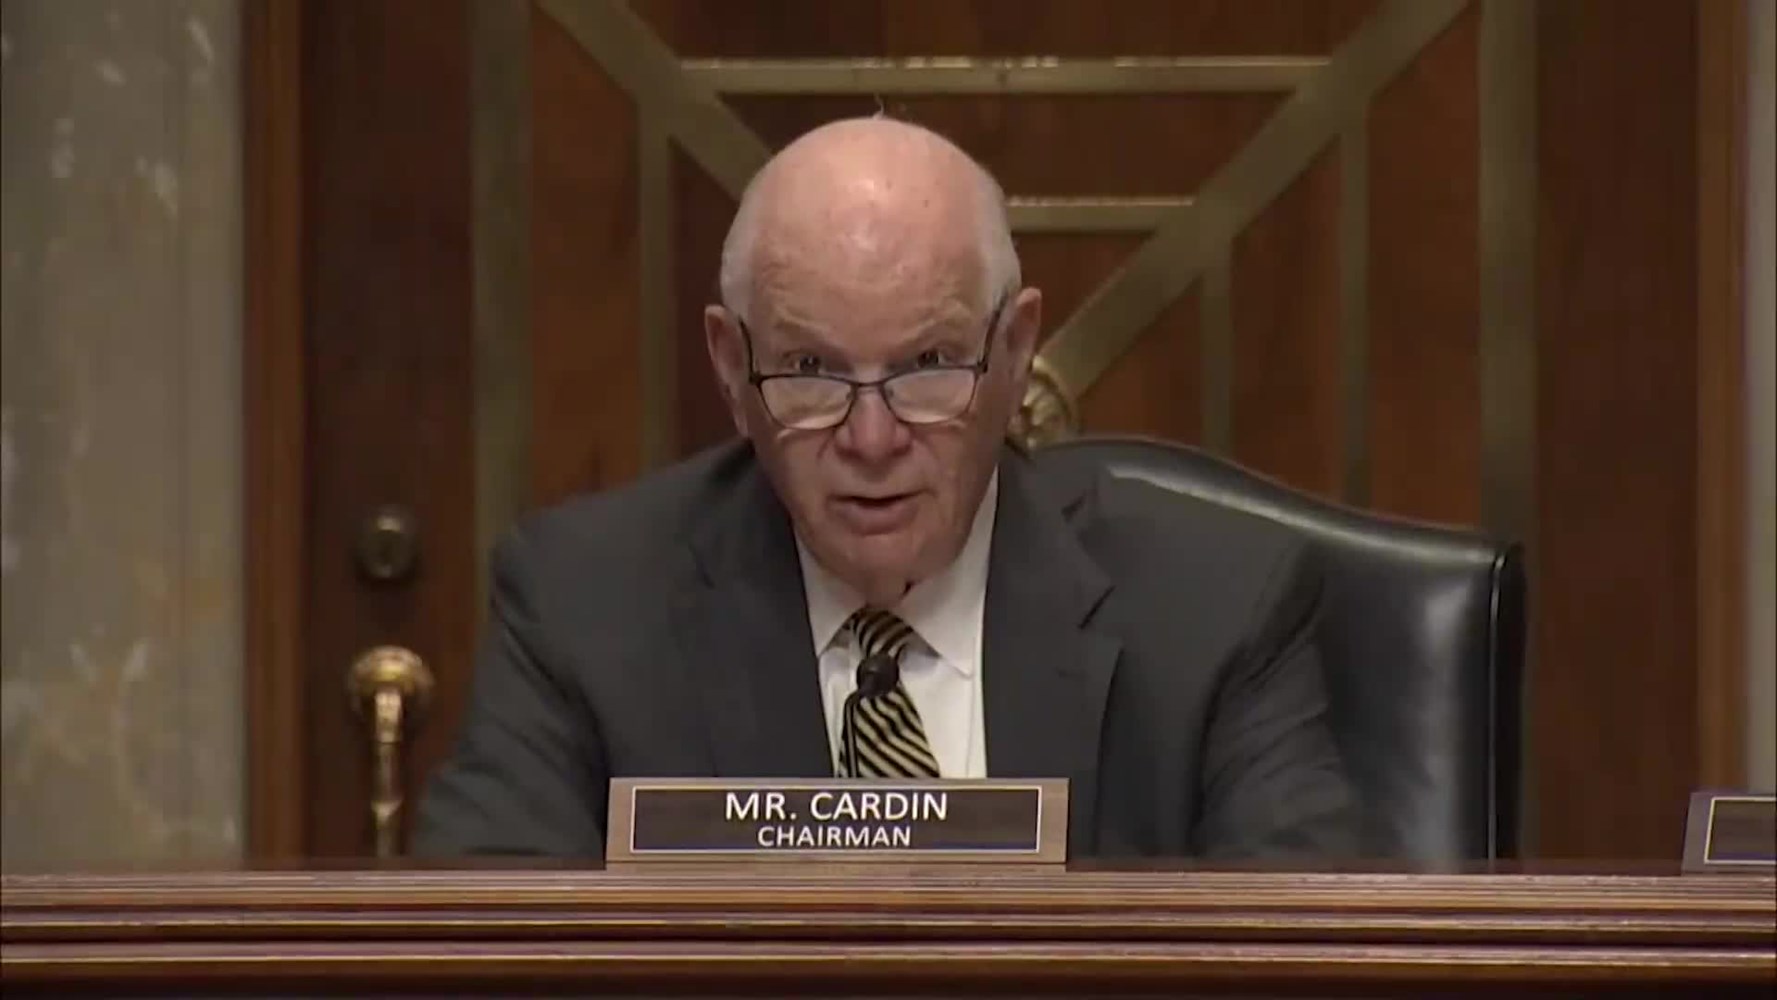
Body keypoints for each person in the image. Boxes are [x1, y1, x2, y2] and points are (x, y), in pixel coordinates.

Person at [413, 117, 1358, 860]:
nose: (872, 440)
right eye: (810, 370)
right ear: (732, 369)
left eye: (929, 365)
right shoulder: (583, 606)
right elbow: (484, 954)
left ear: (1014, 353)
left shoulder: (1215, 613)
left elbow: (1300, 964)